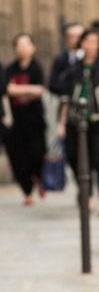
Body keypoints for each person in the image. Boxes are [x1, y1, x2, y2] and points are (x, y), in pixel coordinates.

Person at [58, 26, 99, 216]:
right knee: (75, 157)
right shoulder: (73, 70)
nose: (90, 46)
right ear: (81, 43)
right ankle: (87, 195)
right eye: (87, 41)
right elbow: (65, 99)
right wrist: (61, 123)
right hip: (75, 122)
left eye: (95, 42)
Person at [3, 33, 47, 205]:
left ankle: (39, 178)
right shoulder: (10, 69)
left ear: (33, 47)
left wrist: (17, 89)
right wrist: (29, 90)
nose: (22, 48)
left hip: (35, 120)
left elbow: (40, 90)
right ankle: (27, 192)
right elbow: (7, 90)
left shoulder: (36, 67)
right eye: (19, 45)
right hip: (15, 121)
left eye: (25, 44)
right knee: (19, 158)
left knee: (37, 154)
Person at [49, 22, 85, 96]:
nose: (76, 40)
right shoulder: (59, 60)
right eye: (72, 36)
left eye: (79, 36)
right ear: (66, 38)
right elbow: (53, 85)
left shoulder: (94, 59)